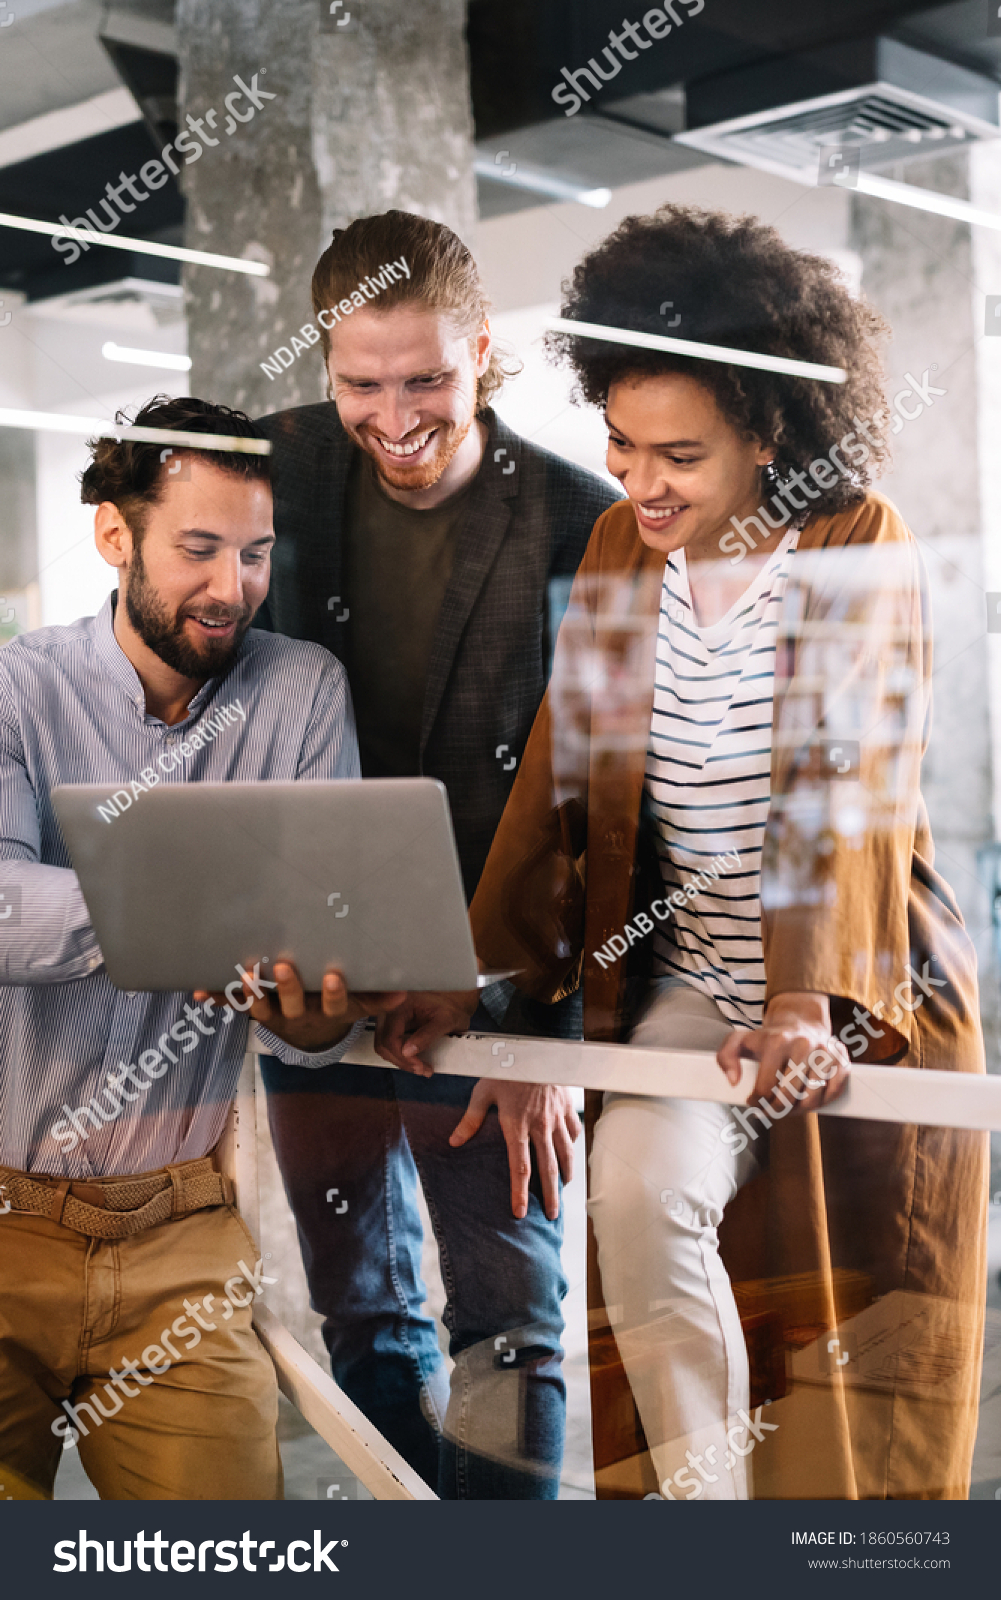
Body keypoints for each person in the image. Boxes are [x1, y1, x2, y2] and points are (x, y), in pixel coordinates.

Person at [377, 205, 988, 1501]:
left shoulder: (850, 535)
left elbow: (843, 777)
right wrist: (471, 975)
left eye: (681, 456)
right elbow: (564, 776)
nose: (640, 483)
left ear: (771, 434)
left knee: (859, 1347)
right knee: (636, 1205)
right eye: (620, 442)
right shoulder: (616, 548)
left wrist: (800, 996)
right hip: (689, 982)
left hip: (857, 987)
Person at [254, 209, 621, 1498]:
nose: (393, 414)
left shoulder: (580, 521)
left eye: (426, 379)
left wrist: (543, 1039)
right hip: (321, 980)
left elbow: (606, 799)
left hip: (492, 990)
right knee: (362, 1309)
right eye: (360, 382)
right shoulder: (280, 475)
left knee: (507, 1323)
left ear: (481, 350)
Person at [0, 397, 403, 1501]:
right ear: (114, 537)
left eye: (256, 552)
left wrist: (321, 1001)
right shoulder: (17, 689)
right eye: (198, 549)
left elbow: (314, 1013)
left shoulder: (301, 689)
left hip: (183, 1236)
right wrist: (205, 908)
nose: (231, 586)